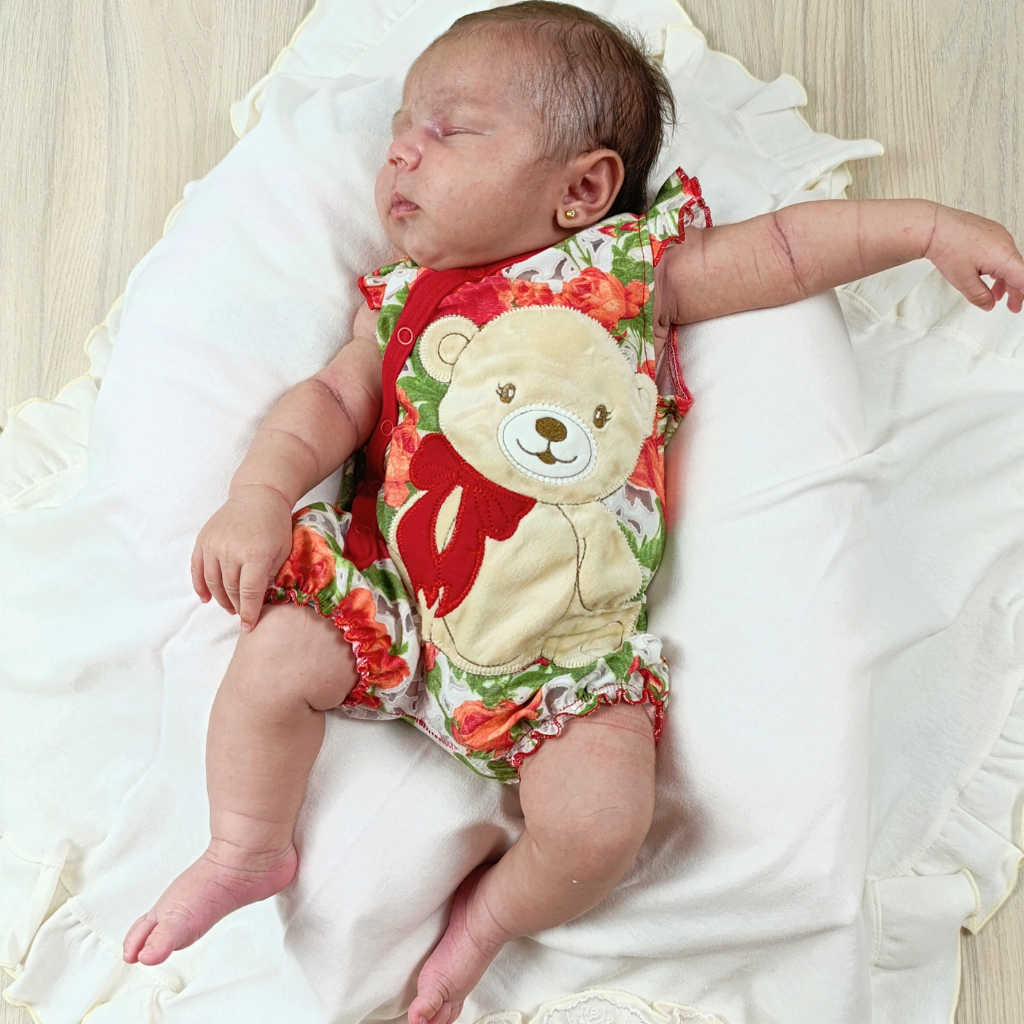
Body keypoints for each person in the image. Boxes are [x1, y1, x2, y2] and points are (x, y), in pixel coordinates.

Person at [121, 3, 1024, 1021]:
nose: (402, 152)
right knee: (274, 659)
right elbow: (329, 403)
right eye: (400, 132)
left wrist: (927, 229)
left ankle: (486, 924)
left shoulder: (624, 274)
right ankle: (245, 845)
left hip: (566, 655)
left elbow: (782, 249)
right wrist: (258, 496)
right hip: (393, 603)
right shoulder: (404, 299)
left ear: (583, 188)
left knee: (600, 823)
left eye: (450, 130)